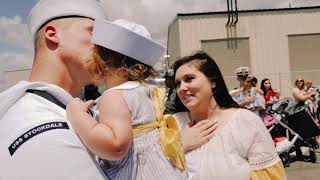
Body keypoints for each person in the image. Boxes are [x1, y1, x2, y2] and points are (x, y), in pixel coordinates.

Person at [66, 19, 187, 180]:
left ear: (103, 62)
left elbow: (115, 146)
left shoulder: (113, 96)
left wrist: (78, 117)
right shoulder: (148, 90)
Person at [0, 0, 109, 179]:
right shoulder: (42, 133)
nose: (106, 49)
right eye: (95, 33)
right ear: (52, 34)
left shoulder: (57, 110)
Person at [173, 51, 286, 179]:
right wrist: (179, 145)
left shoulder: (244, 121)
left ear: (213, 82)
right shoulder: (171, 125)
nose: (181, 88)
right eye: (177, 83)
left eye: (189, 79)